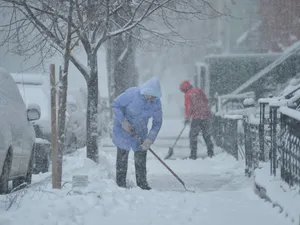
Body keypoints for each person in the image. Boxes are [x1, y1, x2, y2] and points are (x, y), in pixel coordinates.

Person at [112, 77, 163, 190]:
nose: (152, 99)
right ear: (146, 92)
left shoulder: (156, 103)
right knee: (122, 156)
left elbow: (157, 122)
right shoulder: (132, 94)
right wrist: (123, 121)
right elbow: (116, 105)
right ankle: (120, 184)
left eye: (154, 97)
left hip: (140, 131)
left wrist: (149, 139)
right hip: (123, 130)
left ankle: (142, 184)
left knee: (140, 156)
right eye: (151, 96)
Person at [179, 80, 214, 159]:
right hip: (205, 116)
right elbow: (206, 100)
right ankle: (210, 152)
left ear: (184, 89)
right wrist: (206, 111)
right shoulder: (198, 90)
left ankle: (193, 154)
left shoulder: (188, 95)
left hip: (197, 118)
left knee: (193, 136)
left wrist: (187, 118)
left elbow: (188, 107)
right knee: (206, 135)